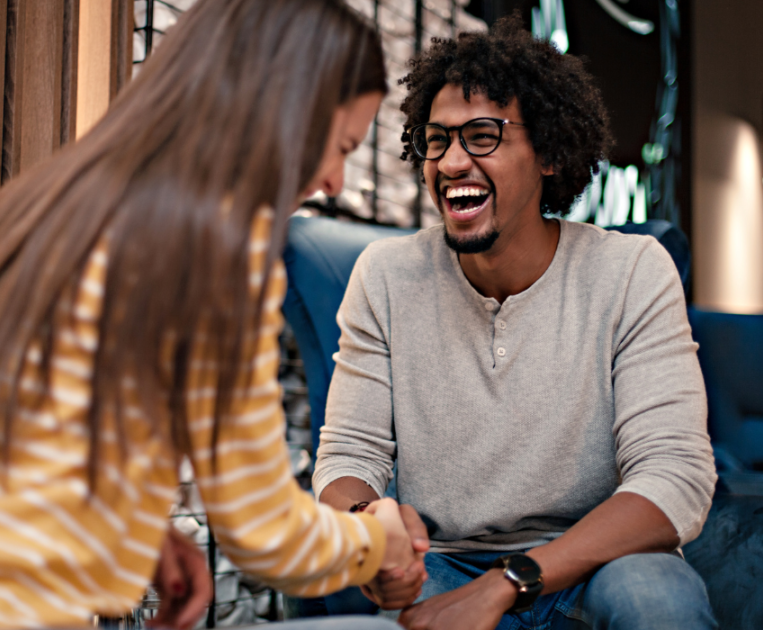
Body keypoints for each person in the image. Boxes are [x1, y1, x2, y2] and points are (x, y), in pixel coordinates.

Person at [0, 1, 419, 628]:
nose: (336, 182)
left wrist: (135, 538)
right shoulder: (218, 249)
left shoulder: (49, 201)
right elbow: (267, 536)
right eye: (340, 145)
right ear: (288, 108)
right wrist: (380, 541)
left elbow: (18, 449)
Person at [305, 14, 718, 630]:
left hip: (597, 563)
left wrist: (511, 581)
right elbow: (346, 458)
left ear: (549, 152)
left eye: (482, 136)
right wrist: (371, 522)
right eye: (437, 139)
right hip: (444, 564)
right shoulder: (386, 277)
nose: (450, 162)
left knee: (656, 599)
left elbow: (675, 480)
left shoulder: (631, 271)